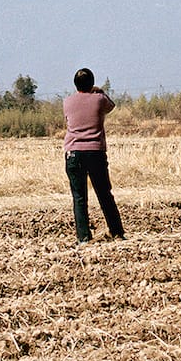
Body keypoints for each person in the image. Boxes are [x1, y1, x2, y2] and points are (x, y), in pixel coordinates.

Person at [61, 67, 125, 244]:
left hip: (73, 153)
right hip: (95, 152)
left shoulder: (67, 102)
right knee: (105, 194)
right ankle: (117, 232)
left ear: (75, 85)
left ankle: (83, 237)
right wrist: (100, 91)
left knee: (79, 197)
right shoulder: (100, 99)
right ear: (92, 83)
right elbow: (111, 106)